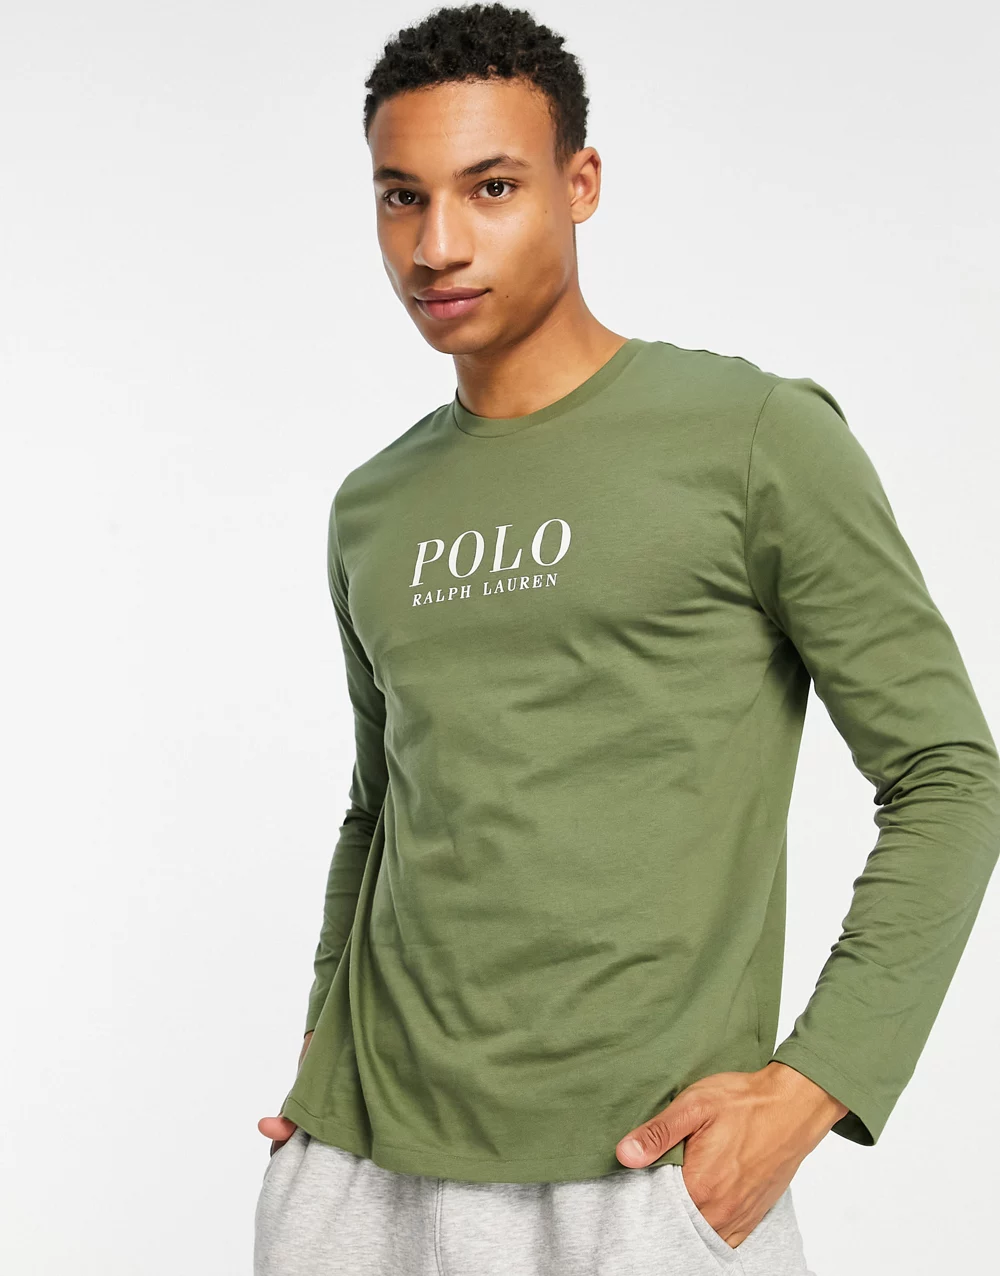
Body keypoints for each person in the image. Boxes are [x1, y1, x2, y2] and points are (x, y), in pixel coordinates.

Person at [254, 5, 1000, 1274]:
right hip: (361, 1176)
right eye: (400, 197)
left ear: (580, 183)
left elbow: (947, 772)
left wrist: (814, 1084)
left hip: (642, 1177)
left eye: (491, 187)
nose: (437, 244)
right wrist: (324, 1045)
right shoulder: (371, 506)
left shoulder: (752, 436)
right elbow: (382, 803)